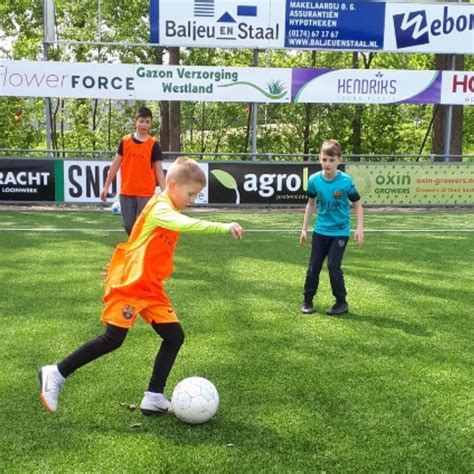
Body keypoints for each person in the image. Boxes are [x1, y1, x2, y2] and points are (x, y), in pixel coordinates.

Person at [39, 157, 244, 415]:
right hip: (131, 283)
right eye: (190, 193)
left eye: (197, 194)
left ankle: (154, 396)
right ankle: (56, 372)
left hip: (150, 287)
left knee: (174, 336)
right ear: (171, 185)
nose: (193, 199)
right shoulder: (160, 207)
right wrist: (223, 227)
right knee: (113, 338)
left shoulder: (171, 208)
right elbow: (183, 224)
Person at [300, 139, 364, 316]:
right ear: (320, 159)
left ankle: (341, 303)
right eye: (324, 159)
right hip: (320, 231)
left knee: (333, 265)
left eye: (331, 160)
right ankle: (307, 300)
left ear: (339, 160)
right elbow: (310, 204)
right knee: (313, 266)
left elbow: (357, 204)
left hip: (340, 231)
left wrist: (359, 228)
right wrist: (304, 229)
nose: (327, 163)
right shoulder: (314, 180)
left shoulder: (346, 181)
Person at [100, 106, 166, 236]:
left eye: (147, 122)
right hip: (127, 192)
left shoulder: (154, 145)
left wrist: (164, 193)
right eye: (141, 121)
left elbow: (159, 171)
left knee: (142, 227)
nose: (144, 125)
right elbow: (115, 166)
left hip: (146, 194)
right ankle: (137, 248)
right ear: (136, 122)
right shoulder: (125, 142)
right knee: (129, 226)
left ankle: (140, 253)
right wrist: (106, 187)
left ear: (150, 124)